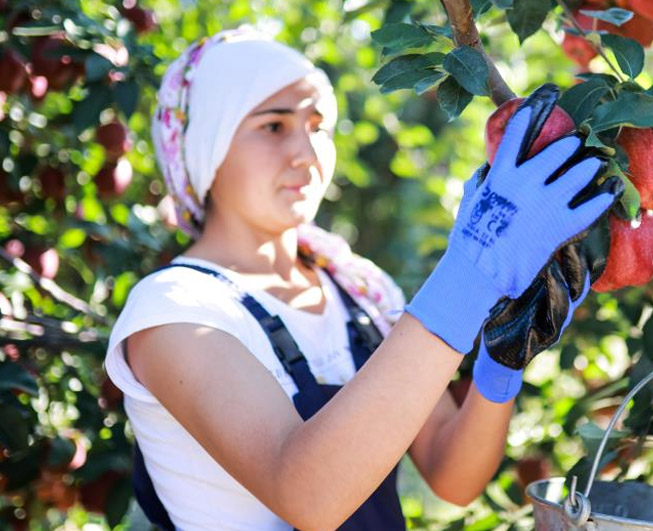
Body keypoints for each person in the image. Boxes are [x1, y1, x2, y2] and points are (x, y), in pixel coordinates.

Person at [103, 26, 620, 530]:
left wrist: (500, 364)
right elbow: (308, 495)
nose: (306, 154)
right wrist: (470, 272)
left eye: (318, 125)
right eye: (273, 126)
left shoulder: (357, 292)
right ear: (207, 146)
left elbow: (451, 475)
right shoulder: (174, 310)